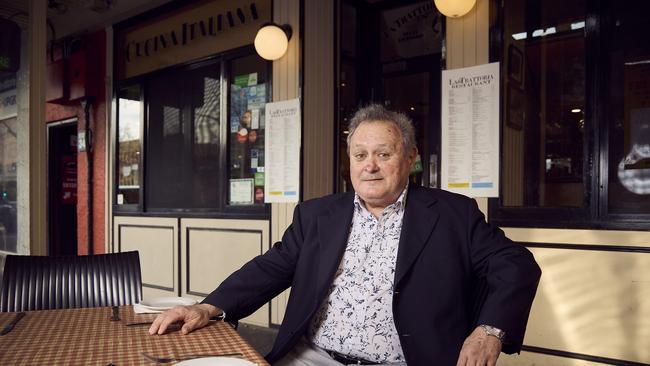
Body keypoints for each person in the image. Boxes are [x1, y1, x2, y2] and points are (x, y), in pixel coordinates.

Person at [149, 104, 541, 365]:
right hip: (312, 357)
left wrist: (489, 330)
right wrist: (208, 306)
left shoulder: (452, 213)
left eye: (383, 154)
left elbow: (516, 264)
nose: (369, 166)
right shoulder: (318, 214)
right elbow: (271, 267)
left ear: (410, 158)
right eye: (359, 155)